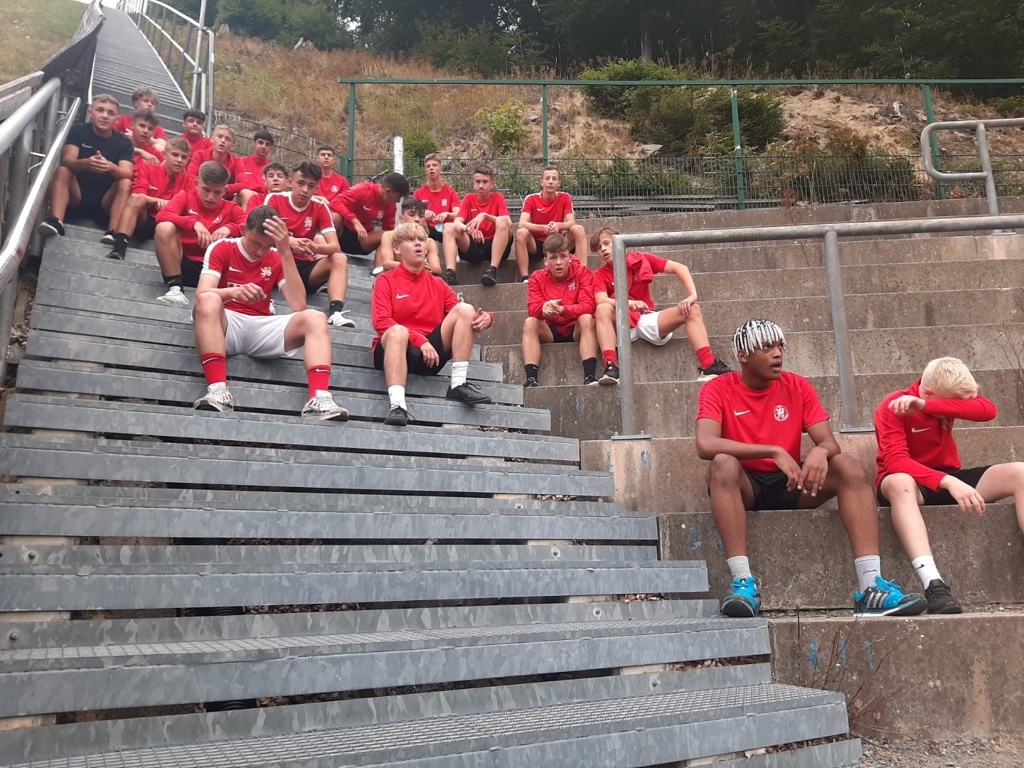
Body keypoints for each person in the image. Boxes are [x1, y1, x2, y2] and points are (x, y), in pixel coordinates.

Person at [695, 318, 926, 618]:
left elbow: (829, 443)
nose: (777, 354)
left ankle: (871, 586)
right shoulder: (718, 388)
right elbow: (706, 444)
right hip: (746, 487)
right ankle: (743, 584)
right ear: (743, 355)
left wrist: (820, 451)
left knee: (847, 464)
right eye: (766, 348)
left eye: (780, 347)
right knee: (722, 464)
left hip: (793, 482)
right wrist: (773, 450)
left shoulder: (798, 386)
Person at [875, 356, 1024, 614]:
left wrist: (928, 406)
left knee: (1020, 472)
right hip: (909, 483)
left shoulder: (932, 399)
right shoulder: (894, 404)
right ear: (929, 392)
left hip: (948, 476)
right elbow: (896, 461)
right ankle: (934, 585)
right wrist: (947, 481)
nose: (950, 411)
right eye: (947, 405)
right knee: (900, 482)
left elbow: (988, 410)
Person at [192, 205, 348, 421]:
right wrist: (233, 292)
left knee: (316, 318)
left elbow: (298, 304)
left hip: (261, 325)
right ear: (244, 230)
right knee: (208, 300)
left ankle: (319, 398)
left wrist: (285, 251)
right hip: (227, 323)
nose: (260, 251)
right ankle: (218, 390)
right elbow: (202, 292)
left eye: (268, 245)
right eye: (256, 243)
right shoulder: (222, 247)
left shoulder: (276, 255)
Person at [371, 222, 494, 427]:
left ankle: (458, 384)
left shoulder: (438, 283)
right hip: (396, 348)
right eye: (411, 240)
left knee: (465, 309)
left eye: (421, 240)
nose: (418, 244)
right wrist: (420, 341)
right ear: (397, 249)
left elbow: (463, 315)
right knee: (398, 331)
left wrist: (487, 318)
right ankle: (397, 406)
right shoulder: (386, 280)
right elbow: (381, 322)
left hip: (429, 357)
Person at [590, 227, 731, 384]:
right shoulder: (599, 274)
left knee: (693, 309)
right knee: (602, 309)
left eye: (606, 243)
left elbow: (680, 268)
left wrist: (692, 296)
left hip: (645, 317)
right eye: (598, 248)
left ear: (619, 242)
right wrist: (629, 304)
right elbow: (601, 299)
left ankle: (709, 366)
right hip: (623, 325)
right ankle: (612, 367)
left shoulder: (642, 259)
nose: (603, 249)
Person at [264, 162, 355, 328]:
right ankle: (265, 301)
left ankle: (335, 313)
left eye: (311, 186)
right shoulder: (275, 199)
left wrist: (313, 247)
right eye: (301, 183)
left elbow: (334, 246)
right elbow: (262, 233)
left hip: (304, 268)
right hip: (277, 263)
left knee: (339, 258)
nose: (305, 190)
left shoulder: (320, 207)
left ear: (316, 189)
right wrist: (289, 242)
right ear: (290, 182)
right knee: (262, 251)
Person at [37, 94, 134, 240]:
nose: (105, 116)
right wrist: (86, 163)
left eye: (110, 113)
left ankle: (113, 232)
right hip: (77, 195)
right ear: (90, 113)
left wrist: (110, 167)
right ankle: (56, 221)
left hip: (105, 201)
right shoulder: (79, 131)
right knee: (63, 171)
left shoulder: (124, 142)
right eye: (100, 110)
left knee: (125, 183)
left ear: (117, 119)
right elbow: (67, 160)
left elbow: (127, 173)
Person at [153, 161, 246, 306]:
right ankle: (175, 289)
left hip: (216, 271)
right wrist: (193, 223)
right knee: (164, 228)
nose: (211, 197)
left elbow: (250, 226)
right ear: (196, 184)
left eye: (217, 192)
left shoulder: (231, 208)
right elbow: (162, 215)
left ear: (225, 190)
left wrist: (230, 228)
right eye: (206, 190)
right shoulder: (185, 197)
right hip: (185, 264)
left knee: (252, 239)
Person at [522, 234, 598, 387]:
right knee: (530, 322)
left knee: (587, 318)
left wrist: (563, 310)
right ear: (545, 261)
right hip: (550, 329)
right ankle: (531, 379)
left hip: (575, 328)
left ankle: (589, 377)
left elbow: (589, 306)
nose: (558, 262)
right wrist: (544, 308)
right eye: (553, 258)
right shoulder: (536, 277)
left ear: (570, 257)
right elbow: (532, 308)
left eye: (563, 256)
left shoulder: (583, 273)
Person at [105, 136, 192, 260]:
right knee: (136, 199)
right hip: (145, 219)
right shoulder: (148, 169)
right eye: (175, 155)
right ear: (164, 155)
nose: (179, 160)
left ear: (188, 160)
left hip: (168, 224)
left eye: (184, 157)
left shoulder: (189, 182)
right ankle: (119, 248)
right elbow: (138, 194)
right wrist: (159, 201)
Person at [439, 166, 512, 287]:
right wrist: (469, 230)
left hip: (495, 247)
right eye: (478, 182)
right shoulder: (469, 198)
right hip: (474, 246)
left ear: (492, 184)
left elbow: (508, 222)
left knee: (502, 221)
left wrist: (485, 215)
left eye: (485, 182)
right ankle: (450, 273)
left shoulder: (498, 197)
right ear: (473, 184)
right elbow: (457, 222)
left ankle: (492, 270)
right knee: (448, 226)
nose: (481, 186)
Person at [514, 166, 587, 282]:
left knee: (578, 229)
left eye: (554, 179)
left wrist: (558, 225)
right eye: (547, 178)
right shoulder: (531, 199)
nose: (550, 182)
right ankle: (525, 278)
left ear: (559, 183)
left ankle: (583, 274)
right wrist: (543, 228)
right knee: (521, 232)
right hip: (537, 244)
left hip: (558, 242)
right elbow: (522, 223)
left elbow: (571, 222)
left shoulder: (565, 197)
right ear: (541, 182)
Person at [331, 172, 408, 256]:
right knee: (335, 217)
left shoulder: (391, 206)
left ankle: (384, 264)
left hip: (363, 240)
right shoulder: (363, 189)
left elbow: (388, 230)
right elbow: (335, 202)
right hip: (342, 233)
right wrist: (355, 221)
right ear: (388, 191)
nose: (398, 201)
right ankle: (328, 253)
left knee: (390, 236)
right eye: (398, 197)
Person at [375, 198, 442, 275]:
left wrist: (418, 268)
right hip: (395, 277)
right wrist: (416, 267)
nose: (417, 219)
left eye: (421, 216)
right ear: (401, 218)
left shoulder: (429, 242)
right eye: (412, 215)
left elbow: (437, 269)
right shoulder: (389, 236)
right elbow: (387, 264)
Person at [413, 153, 460, 245]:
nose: (431, 168)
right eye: (428, 166)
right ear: (426, 171)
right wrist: (423, 212)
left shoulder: (451, 193)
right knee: (418, 223)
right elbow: (412, 213)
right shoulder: (418, 193)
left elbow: (458, 213)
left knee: (451, 227)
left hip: (445, 230)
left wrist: (447, 214)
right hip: (425, 229)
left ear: (441, 170)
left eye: (434, 165)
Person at [113, 87, 166, 152]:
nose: (149, 104)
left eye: (153, 103)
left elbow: (164, 147)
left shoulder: (158, 129)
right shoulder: (122, 120)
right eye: (145, 101)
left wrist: (138, 136)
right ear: (135, 103)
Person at [226, 129, 274, 199]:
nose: (263, 146)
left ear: (271, 148)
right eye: (260, 143)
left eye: (267, 144)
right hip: (240, 199)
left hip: (262, 201)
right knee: (246, 194)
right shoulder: (241, 162)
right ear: (253, 144)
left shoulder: (272, 169)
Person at [313, 144, 349, 221]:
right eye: (323, 155)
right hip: (314, 211)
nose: (326, 157)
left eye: (329, 155)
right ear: (317, 158)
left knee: (335, 217)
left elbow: (346, 202)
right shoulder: (311, 178)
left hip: (333, 214)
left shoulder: (342, 181)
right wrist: (320, 199)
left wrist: (329, 204)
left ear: (334, 160)